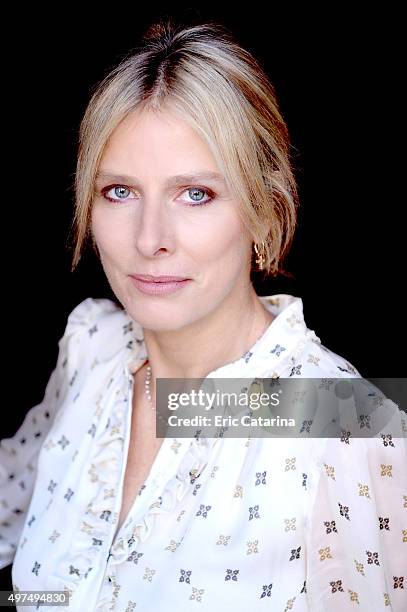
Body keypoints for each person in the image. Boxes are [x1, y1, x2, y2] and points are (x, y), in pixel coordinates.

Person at [1, 18, 405, 612]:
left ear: (264, 210)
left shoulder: (348, 428)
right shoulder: (92, 346)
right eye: (120, 191)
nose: (150, 239)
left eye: (196, 194)